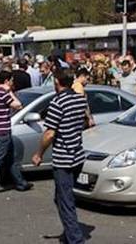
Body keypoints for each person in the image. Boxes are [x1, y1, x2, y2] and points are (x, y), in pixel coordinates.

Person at [32, 70, 89, 244]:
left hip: (64, 158)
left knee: (65, 200)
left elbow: (49, 134)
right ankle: (70, 231)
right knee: (62, 197)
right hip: (78, 155)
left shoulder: (58, 103)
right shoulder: (80, 100)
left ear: (57, 82)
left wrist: (38, 153)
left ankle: (75, 239)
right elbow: (85, 122)